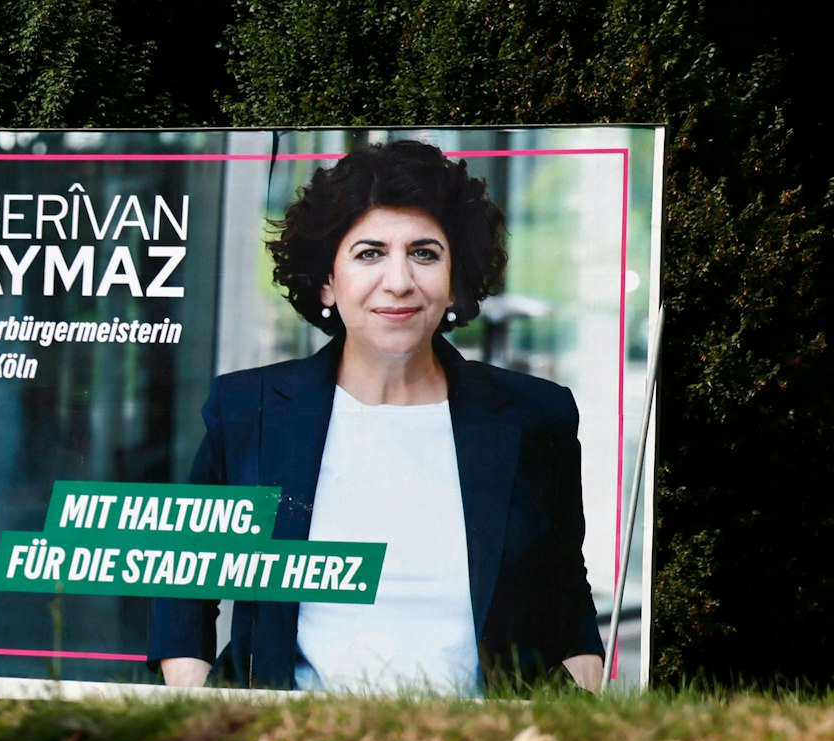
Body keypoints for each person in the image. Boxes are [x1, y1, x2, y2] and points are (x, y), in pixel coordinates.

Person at [149, 140, 604, 694]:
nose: (398, 281)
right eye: (369, 253)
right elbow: (186, 577)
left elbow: (565, 586)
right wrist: (198, 707)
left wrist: (583, 693)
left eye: (425, 253)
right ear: (325, 280)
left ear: (456, 279)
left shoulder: (535, 416)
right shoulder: (251, 409)